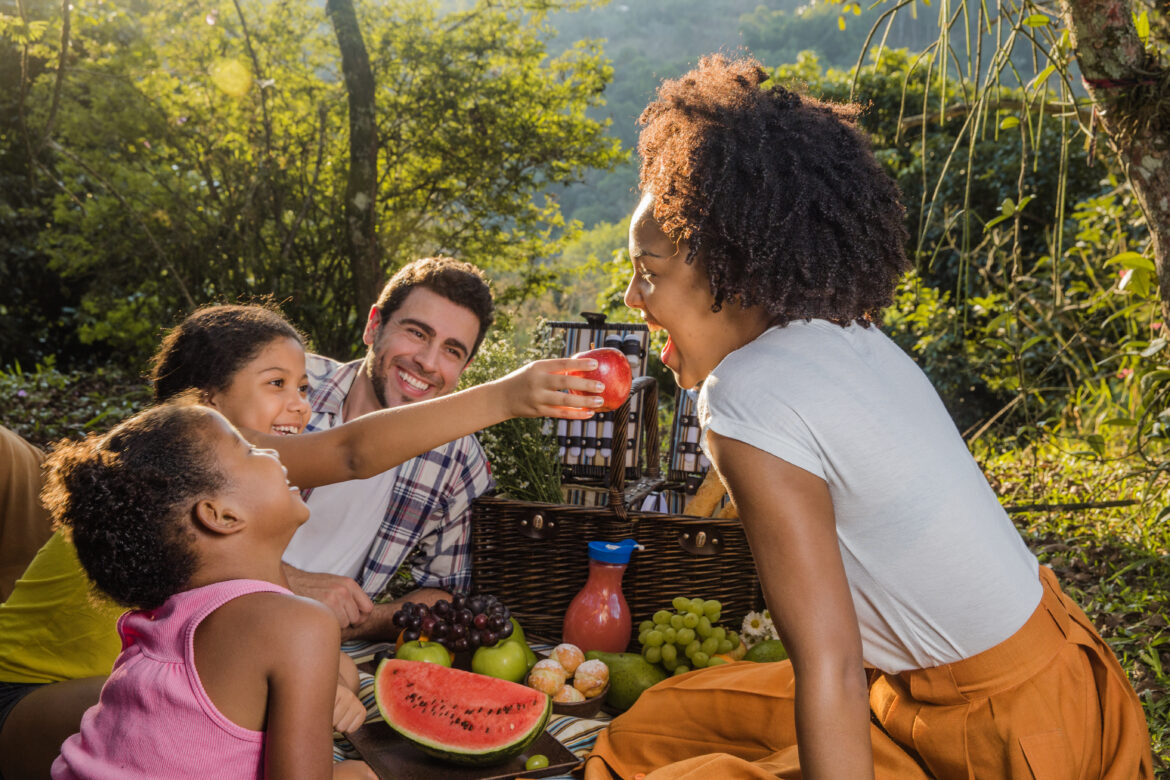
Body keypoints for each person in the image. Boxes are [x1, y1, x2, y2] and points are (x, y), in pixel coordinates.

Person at [584, 55, 1154, 780]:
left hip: (1003, 737)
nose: (632, 298)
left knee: (664, 767)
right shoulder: (843, 332)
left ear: (731, 269)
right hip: (1048, 682)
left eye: (650, 272)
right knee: (662, 720)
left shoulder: (743, 394)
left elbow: (829, 664)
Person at [0, 303, 602, 780]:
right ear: (204, 404)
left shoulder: (218, 530)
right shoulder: (175, 479)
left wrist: (329, 673)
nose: (301, 408)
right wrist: (506, 397)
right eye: (276, 384)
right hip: (25, 701)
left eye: (303, 387)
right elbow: (350, 452)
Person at [43, 400, 375, 779]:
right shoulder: (300, 625)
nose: (272, 453)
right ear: (222, 515)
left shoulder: (165, 619)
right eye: (249, 451)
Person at [280, 257, 497, 639]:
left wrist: (359, 620)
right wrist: (288, 582)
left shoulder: (458, 460)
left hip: (320, 649)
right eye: (417, 333)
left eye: (451, 350)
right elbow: (184, 514)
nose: (427, 362)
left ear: (466, 367)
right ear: (374, 326)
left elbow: (447, 592)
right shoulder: (285, 385)